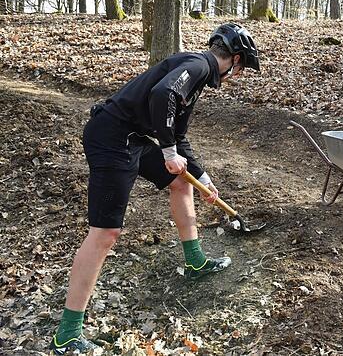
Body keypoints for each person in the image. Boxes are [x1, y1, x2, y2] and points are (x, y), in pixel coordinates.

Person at [48, 23, 260, 354]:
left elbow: (179, 134)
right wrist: (168, 151)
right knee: (105, 233)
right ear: (233, 59)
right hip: (111, 138)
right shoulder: (200, 65)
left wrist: (203, 180)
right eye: (243, 67)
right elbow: (163, 95)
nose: (240, 74)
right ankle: (67, 334)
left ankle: (195, 262)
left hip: (131, 139)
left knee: (181, 182)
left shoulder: (195, 76)